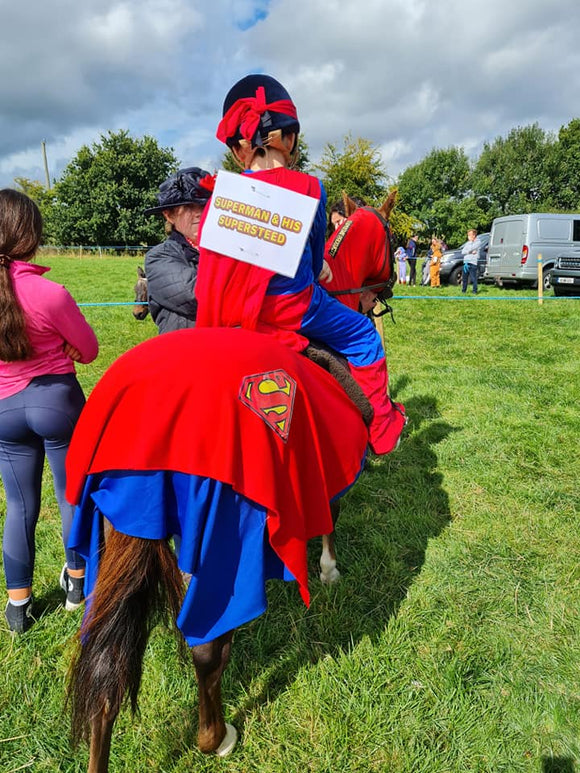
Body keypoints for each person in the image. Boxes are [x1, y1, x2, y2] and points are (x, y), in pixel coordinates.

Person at [196, 74, 405, 456]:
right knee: (363, 335)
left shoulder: (220, 194)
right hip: (294, 309)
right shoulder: (310, 188)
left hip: (228, 313)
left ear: (242, 147)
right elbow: (310, 262)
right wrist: (320, 268)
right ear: (289, 139)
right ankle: (382, 429)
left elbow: (216, 266)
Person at [0, 189, 98, 633]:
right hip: (55, 400)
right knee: (70, 495)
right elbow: (90, 350)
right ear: (30, 235)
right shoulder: (50, 292)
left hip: (4, 409)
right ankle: (76, 586)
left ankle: (17, 605)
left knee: (19, 505)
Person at [143, 167, 215, 334]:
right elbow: (197, 295)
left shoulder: (230, 250)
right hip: (184, 356)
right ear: (169, 215)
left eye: (204, 205)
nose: (199, 213)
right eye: (189, 206)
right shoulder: (158, 258)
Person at [461, 228, 482, 294]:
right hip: (466, 263)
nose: (468, 237)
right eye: (468, 235)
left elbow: (471, 248)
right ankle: (463, 291)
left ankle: (474, 291)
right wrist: (469, 252)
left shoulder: (478, 242)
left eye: (469, 235)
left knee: (473, 278)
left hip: (473, 263)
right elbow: (463, 252)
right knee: (464, 278)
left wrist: (469, 248)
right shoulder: (468, 243)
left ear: (474, 235)